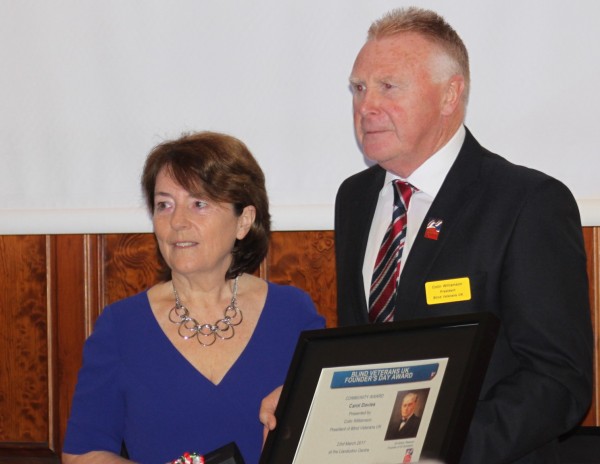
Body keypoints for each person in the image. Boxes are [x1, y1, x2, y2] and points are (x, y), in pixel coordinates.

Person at [262, 7, 593, 463]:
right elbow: (368, 354)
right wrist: (307, 404)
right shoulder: (355, 198)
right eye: (358, 88)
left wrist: (442, 450)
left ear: (449, 95)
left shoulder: (527, 202)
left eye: (388, 87)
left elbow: (559, 379)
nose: (366, 106)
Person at [62, 131, 325, 464]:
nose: (177, 222)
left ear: (243, 221)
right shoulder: (121, 326)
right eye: (164, 205)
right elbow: (83, 454)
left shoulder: (292, 314)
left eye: (199, 203)